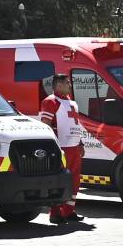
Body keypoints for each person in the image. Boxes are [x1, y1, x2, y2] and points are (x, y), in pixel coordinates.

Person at [38, 72, 86, 223]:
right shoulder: (50, 102)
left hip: (74, 147)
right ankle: (55, 213)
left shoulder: (71, 102)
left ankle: (69, 211)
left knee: (75, 181)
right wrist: (52, 146)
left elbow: (75, 125)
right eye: (67, 83)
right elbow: (46, 125)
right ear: (59, 85)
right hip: (61, 148)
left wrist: (80, 143)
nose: (70, 86)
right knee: (59, 180)